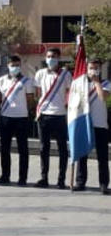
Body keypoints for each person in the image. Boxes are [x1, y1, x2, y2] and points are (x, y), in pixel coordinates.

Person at [0, 56, 36, 186]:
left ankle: (22, 178)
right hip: (5, 118)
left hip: (21, 118)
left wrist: (23, 110)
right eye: (13, 65)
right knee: (4, 149)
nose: (15, 67)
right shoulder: (1, 81)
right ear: (8, 65)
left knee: (23, 149)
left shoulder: (27, 82)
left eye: (17, 65)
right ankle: (5, 176)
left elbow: (30, 100)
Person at [34, 48, 72, 188]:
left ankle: (61, 180)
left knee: (62, 149)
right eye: (49, 56)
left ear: (59, 57)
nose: (51, 59)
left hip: (60, 115)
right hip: (44, 115)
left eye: (54, 56)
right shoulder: (40, 74)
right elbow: (38, 93)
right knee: (44, 148)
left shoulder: (66, 75)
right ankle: (44, 178)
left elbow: (69, 92)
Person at [74, 59, 111, 193]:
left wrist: (96, 82)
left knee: (102, 157)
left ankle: (103, 184)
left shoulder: (106, 84)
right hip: (84, 124)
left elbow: (103, 97)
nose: (93, 70)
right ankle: (80, 182)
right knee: (82, 155)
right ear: (86, 68)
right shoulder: (80, 84)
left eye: (96, 68)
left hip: (100, 124)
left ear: (100, 69)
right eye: (91, 68)